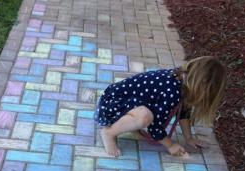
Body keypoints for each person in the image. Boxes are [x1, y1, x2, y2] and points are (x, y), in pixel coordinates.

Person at [95, 56, 227, 158]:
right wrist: (171, 146)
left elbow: (183, 111)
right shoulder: (173, 91)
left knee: (145, 113)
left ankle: (130, 125)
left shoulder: (182, 80)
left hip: (122, 102)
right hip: (111, 104)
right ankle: (109, 133)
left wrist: (189, 138)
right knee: (145, 117)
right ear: (202, 85)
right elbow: (155, 127)